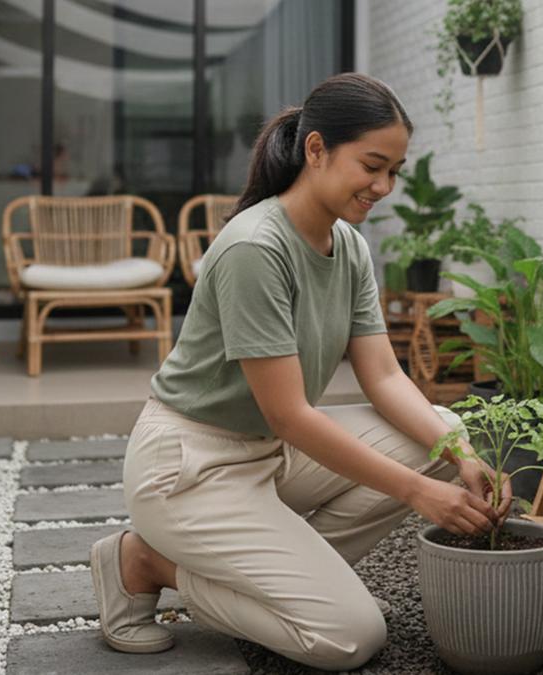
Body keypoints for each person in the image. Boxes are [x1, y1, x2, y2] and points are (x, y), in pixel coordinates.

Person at [88, 72, 511, 671]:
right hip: (190, 468)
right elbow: (288, 414)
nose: (384, 186)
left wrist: (464, 453)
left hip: (268, 455)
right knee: (349, 638)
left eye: (394, 170)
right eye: (372, 165)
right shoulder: (255, 248)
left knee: (436, 430)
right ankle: (148, 561)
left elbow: (386, 379)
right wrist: (418, 494)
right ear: (316, 150)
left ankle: (300, 588)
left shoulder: (350, 246)